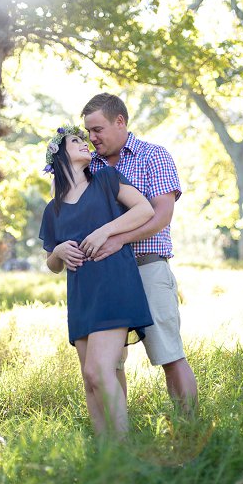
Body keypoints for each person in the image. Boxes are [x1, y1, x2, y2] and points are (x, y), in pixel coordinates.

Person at [77, 93, 198, 412]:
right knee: (109, 365)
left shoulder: (152, 156)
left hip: (147, 269)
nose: (92, 138)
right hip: (105, 279)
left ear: (120, 122)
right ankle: (119, 444)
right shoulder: (88, 166)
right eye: (88, 131)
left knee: (169, 355)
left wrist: (119, 239)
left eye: (98, 129)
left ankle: (189, 431)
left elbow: (161, 216)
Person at [39, 124, 155, 436]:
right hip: (81, 297)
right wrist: (59, 251)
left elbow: (144, 209)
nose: (86, 142)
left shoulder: (106, 179)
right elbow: (51, 264)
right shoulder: (54, 209)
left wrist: (106, 230)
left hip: (113, 283)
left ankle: (124, 450)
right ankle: (106, 458)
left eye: (85, 139)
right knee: (89, 379)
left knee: (99, 370)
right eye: (76, 140)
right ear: (60, 154)